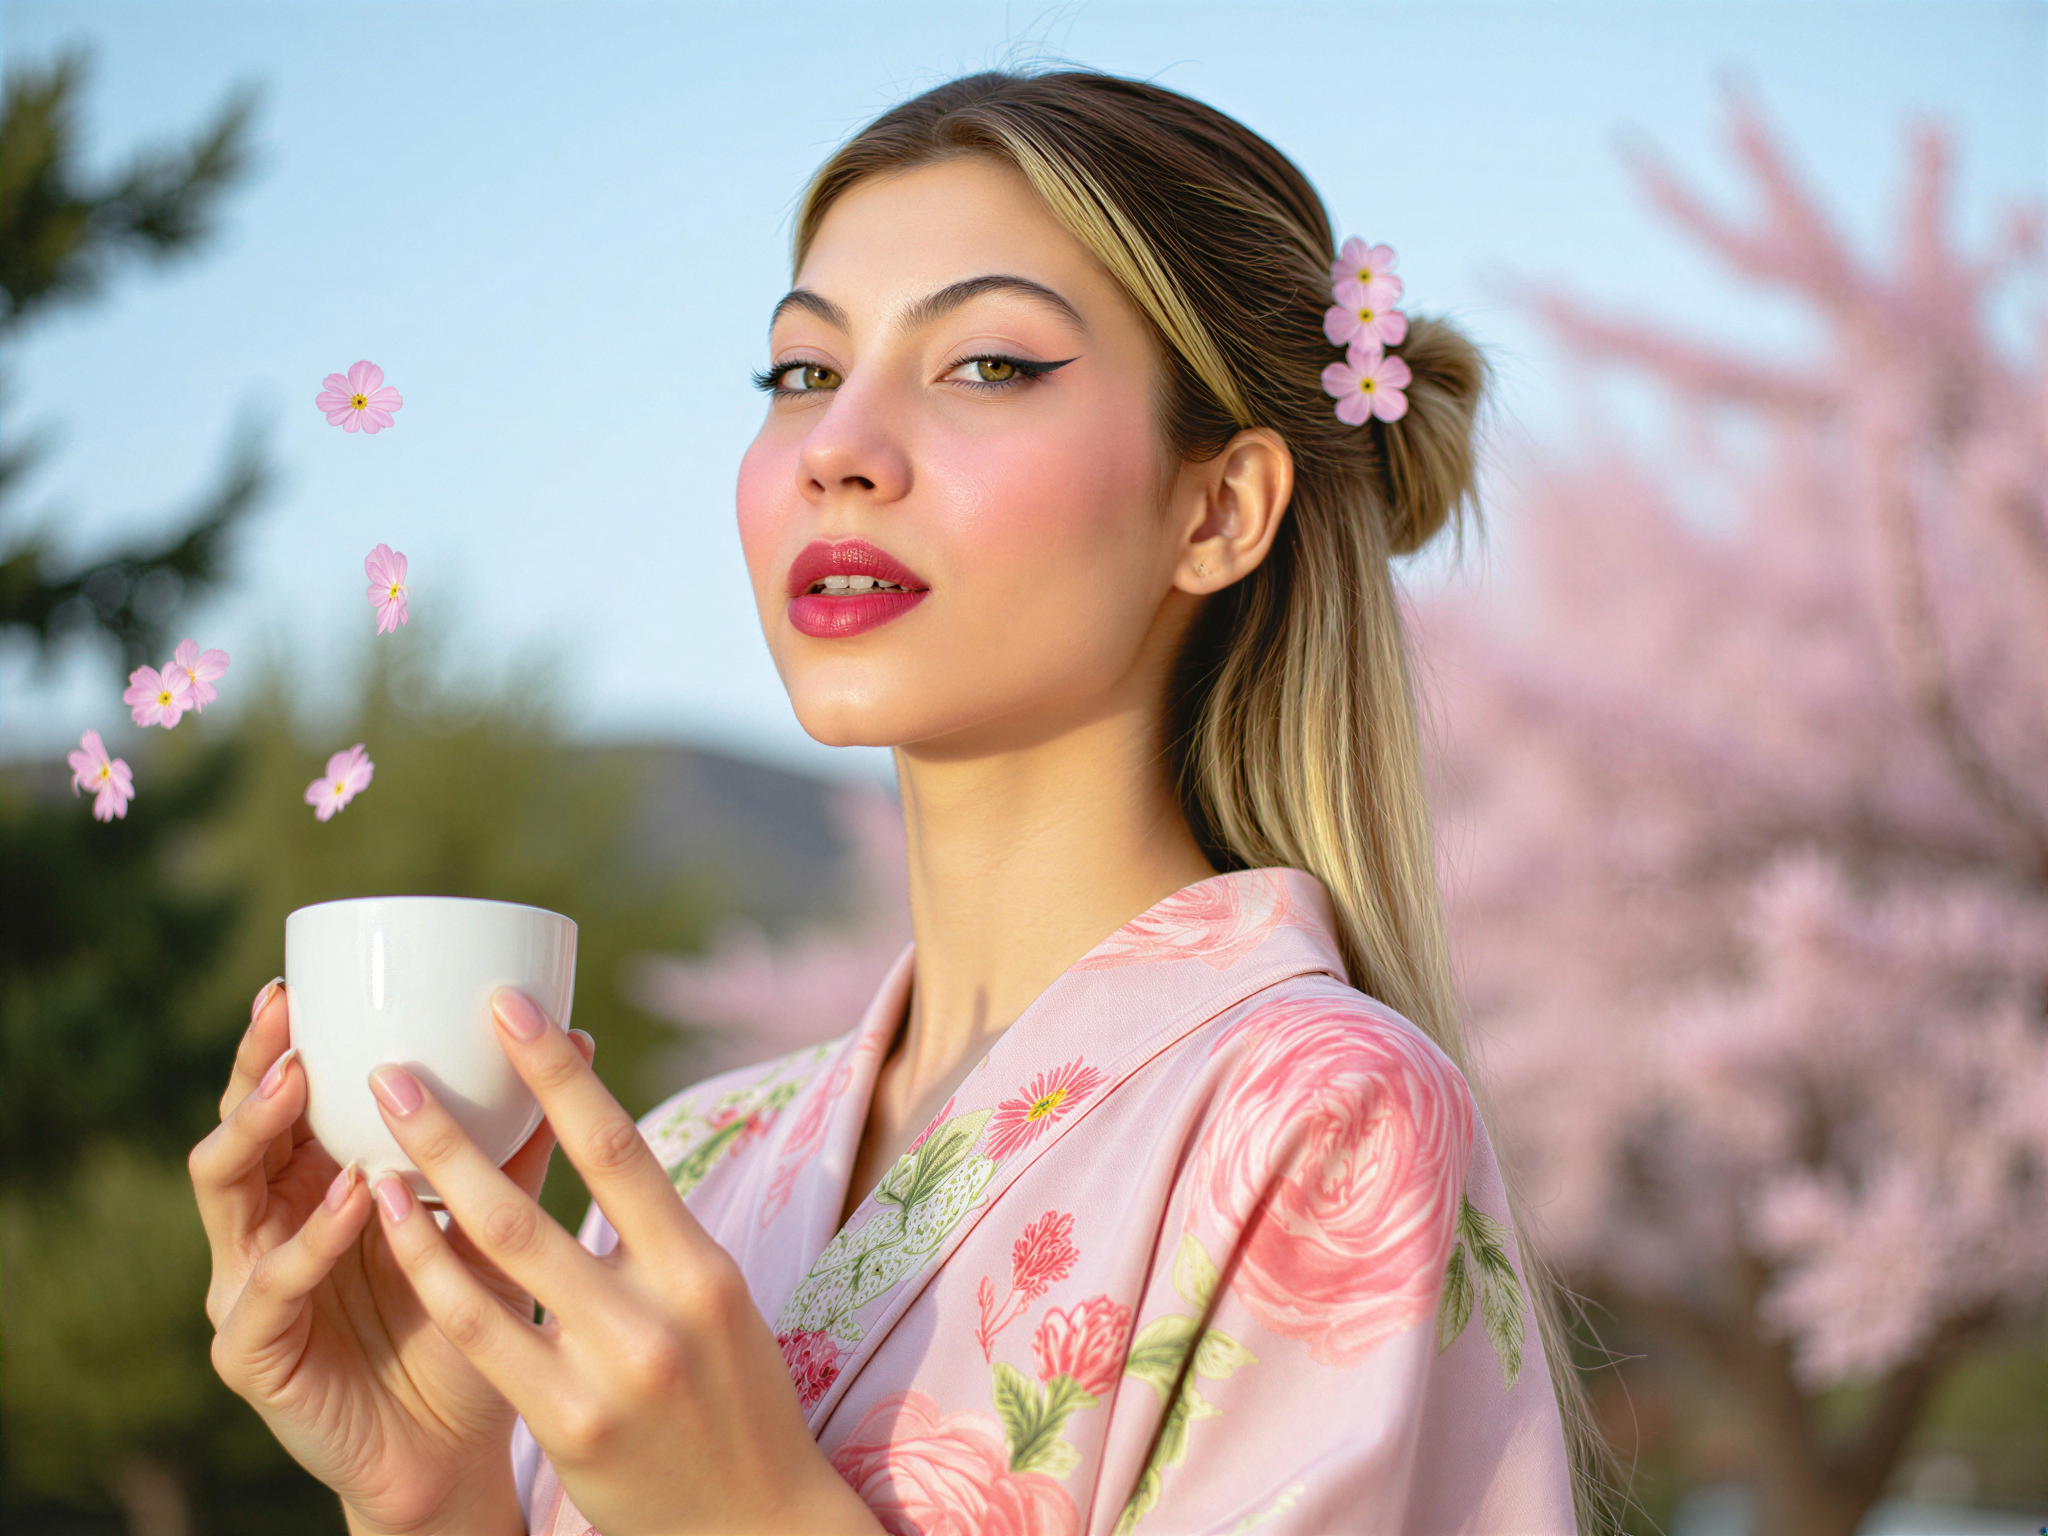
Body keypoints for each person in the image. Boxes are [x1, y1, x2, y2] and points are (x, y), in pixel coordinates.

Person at [191, 69, 1589, 1536]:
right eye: (800, 373)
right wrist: (434, 1496)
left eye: (987, 365)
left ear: (1219, 507)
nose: (835, 450)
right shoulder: (695, 1159)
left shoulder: (1325, 1117)